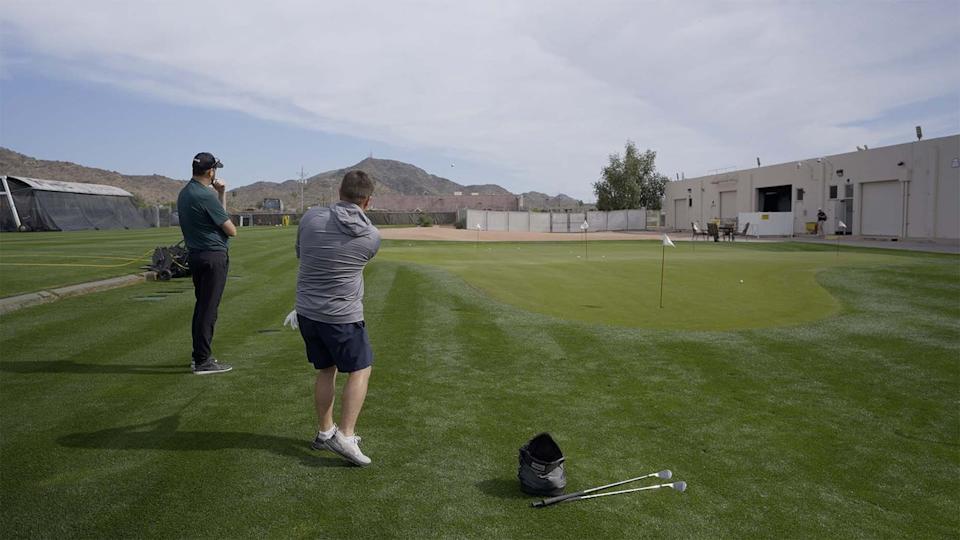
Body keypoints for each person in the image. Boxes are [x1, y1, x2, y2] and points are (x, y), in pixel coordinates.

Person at [284, 170, 381, 466]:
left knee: (327, 370)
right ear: (368, 201)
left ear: (339, 191)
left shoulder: (311, 217)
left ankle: (326, 432)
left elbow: (303, 254)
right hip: (342, 316)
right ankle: (346, 436)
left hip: (308, 313)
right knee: (361, 369)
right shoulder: (370, 236)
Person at [177, 152, 237, 375]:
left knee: (202, 307)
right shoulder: (204, 195)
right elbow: (231, 229)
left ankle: (199, 357)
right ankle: (202, 360)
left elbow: (218, 217)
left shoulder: (186, 192)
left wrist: (220, 193)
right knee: (208, 310)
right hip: (212, 257)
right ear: (211, 171)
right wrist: (220, 194)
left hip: (197, 255)